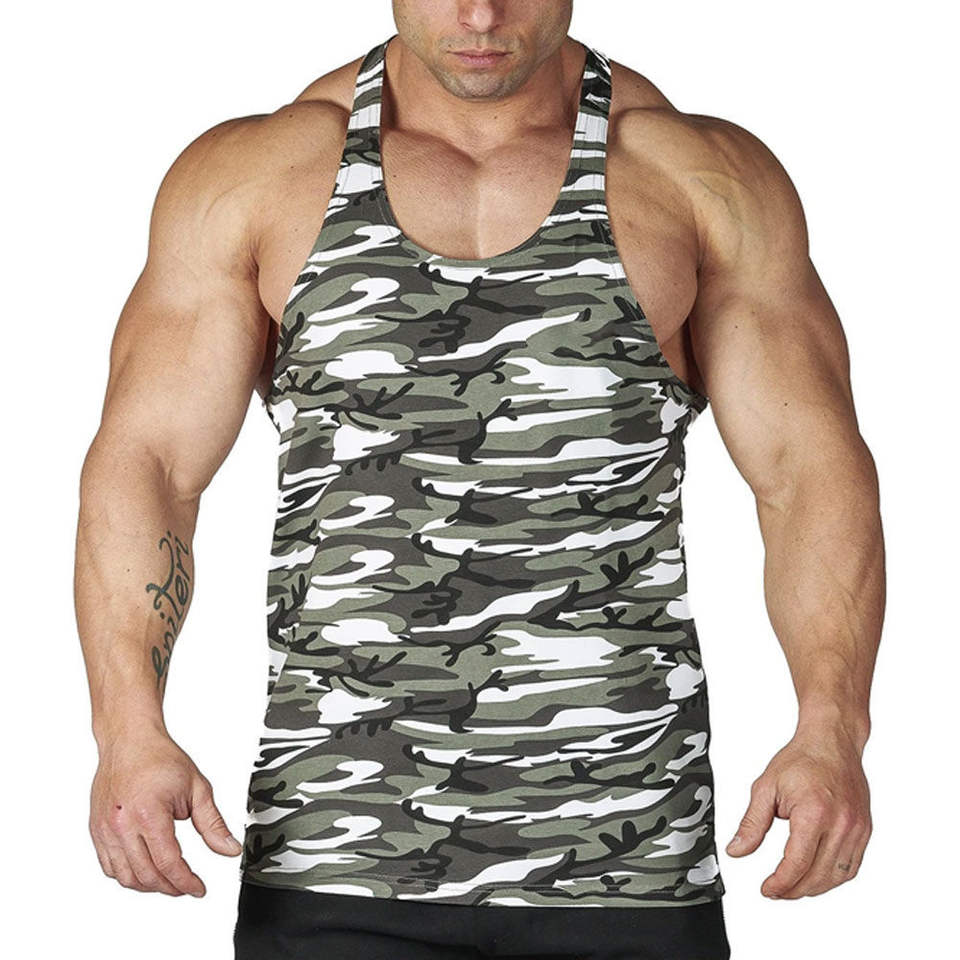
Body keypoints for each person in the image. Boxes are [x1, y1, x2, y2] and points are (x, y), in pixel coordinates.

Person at [74, 2, 884, 958]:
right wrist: (128, 727)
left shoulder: (698, 178)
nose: (480, 13)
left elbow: (808, 474)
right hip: (337, 848)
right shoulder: (258, 175)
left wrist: (833, 726)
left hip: (627, 858)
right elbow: (152, 465)